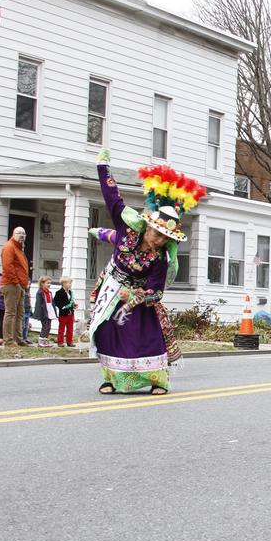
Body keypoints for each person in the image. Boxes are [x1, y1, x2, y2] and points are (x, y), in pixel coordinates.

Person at [89, 148, 205, 395]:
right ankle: (112, 379)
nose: (160, 241)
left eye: (166, 238)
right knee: (107, 333)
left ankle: (158, 381)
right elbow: (112, 196)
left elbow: (156, 292)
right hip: (111, 288)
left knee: (142, 339)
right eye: (157, 235)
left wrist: (132, 297)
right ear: (148, 226)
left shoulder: (160, 258)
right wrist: (102, 167)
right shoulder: (126, 228)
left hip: (138, 300)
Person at [0, 226, 30, 347]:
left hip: (21, 285)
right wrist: (16, 282)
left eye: (23, 233)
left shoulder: (19, 248)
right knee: (11, 313)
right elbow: (8, 266)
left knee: (19, 313)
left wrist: (24, 283)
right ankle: (8, 340)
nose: (22, 235)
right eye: (19, 233)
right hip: (11, 284)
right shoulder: (9, 247)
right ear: (13, 234)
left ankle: (18, 338)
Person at [32, 275, 58, 347]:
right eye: (47, 283)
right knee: (45, 326)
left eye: (50, 283)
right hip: (43, 312)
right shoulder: (40, 293)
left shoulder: (49, 293)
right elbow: (38, 304)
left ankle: (45, 340)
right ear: (42, 283)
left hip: (49, 311)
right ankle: (41, 341)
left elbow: (51, 303)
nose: (49, 285)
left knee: (49, 327)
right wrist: (39, 314)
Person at [53, 276, 77, 347]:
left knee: (70, 329)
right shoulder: (59, 292)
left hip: (70, 313)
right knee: (61, 329)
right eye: (69, 283)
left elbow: (71, 302)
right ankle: (60, 342)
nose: (70, 285)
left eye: (71, 283)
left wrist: (73, 305)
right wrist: (63, 307)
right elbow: (56, 302)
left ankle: (69, 342)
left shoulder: (70, 292)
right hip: (63, 314)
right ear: (63, 283)